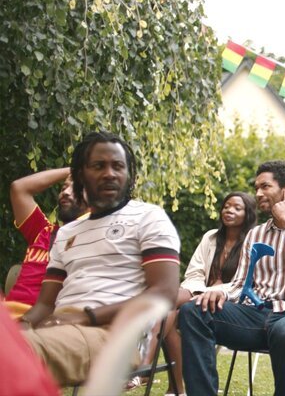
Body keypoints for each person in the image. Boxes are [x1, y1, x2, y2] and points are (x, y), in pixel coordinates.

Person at [18, 131, 181, 386]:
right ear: (81, 175)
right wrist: (23, 323)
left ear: (129, 175)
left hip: (115, 335)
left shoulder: (148, 217)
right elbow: (45, 305)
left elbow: (165, 293)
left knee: (14, 356)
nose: (109, 173)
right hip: (61, 329)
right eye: (98, 166)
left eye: (118, 166)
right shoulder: (66, 234)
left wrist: (86, 317)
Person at [179, 160, 285, 396]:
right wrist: (218, 292)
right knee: (193, 311)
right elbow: (242, 284)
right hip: (257, 315)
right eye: (256, 188)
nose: (258, 193)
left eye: (265, 187)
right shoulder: (256, 233)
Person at [153, 191, 257, 396]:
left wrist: (207, 292)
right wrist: (197, 291)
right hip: (196, 291)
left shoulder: (251, 242)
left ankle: (153, 373)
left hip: (227, 302)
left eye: (237, 208)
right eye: (227, 206)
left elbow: (243, 283)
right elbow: (194, 271)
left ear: (248, 214)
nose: (229, 211)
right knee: (166, 308)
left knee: (169, 309)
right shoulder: (210, 237)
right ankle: (169, 384)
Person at [5, 167, 89, 318]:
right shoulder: (43, 231)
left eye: (76, 188)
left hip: (38, 325)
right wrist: (73, 168)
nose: (66, 192)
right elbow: (19, 189)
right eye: (64, 187)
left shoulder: (94, 239)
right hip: (7, 318)